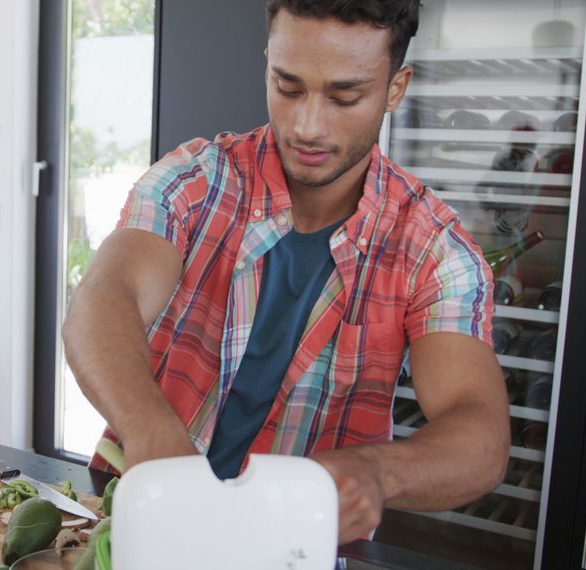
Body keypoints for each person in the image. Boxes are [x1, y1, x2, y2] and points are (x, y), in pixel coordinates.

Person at [62, 0, 510, 545]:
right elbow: (104, 297)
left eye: (345, 96)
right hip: (141, 514)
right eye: (288, 87)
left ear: (396, 88)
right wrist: (152, 431)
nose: (307, 126)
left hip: (298, 543)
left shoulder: (436, 250)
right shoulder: (193, 180)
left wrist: (379, 471)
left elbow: (479, 431)